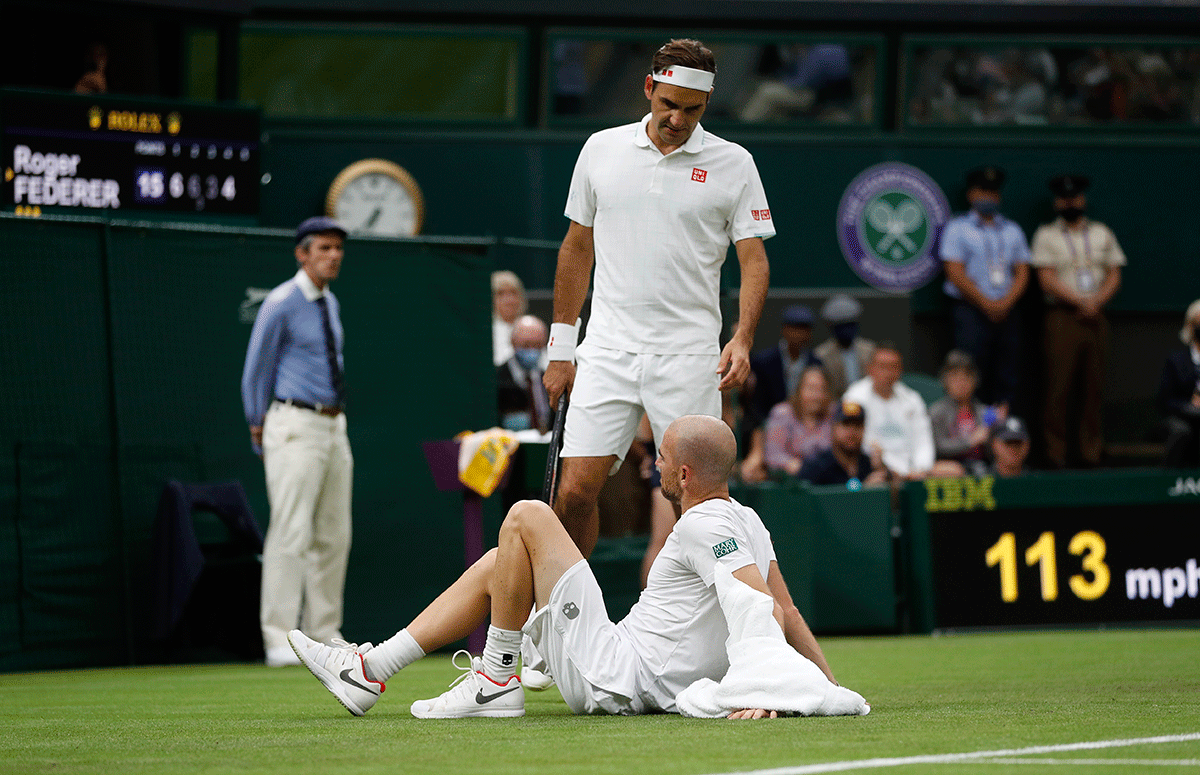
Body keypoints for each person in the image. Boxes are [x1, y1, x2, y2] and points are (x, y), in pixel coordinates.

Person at [288, 415, 854, 719]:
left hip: (613, 676)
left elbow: (756, 607)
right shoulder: (748, 521)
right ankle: (371, 671)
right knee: (500, 562)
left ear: (683, 476)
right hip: (622, 666)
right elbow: (787, 610)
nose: (650, 464)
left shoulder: (703, 525)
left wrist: (770, 688)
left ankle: (495, 679)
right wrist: (826, 683)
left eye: (659, 457)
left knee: (528, 515)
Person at [544, 39, 773, 558]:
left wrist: (743, 336)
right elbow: (577, 249)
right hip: (605, 349)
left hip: (690, 356)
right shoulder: (600, 149)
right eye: (668, 104)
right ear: (648, 88)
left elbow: (754, 260)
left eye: (691, 110)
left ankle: (705, 630)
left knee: (696, 509)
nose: (677, 118)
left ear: (706, 105)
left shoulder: (734, 163)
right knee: (573, 493)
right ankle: (572, 623)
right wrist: (561, 348)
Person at [241, 216, 353, 667]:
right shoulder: (281, 302)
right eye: (324, 248)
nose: (333, 256)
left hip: (333, 426)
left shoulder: (331, 303)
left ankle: (323, 632)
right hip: (292, 424)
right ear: (301, 254)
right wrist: (257, 422)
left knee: (333, 533)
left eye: (338, 249)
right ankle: (279, 640)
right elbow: (256, 367)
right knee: (291, 532)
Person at [1031, 174, 1126, 468]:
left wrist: (1096, 301)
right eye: (1064, 198)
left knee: (1094, 387)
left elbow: (1114, 273)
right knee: (1058, 387)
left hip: (1097, 315)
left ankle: (1091, 452)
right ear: (1057, 202)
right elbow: (1045, 278)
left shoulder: (1101, 233)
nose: (1070, 202)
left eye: (1075, 197)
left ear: (1083, 199)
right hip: (1063, 315)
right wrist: (1080, 301)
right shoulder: (1046, 235)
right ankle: (1055, 454)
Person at [939, 165, 1031, 408]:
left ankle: (1002, 433)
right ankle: (971, 433)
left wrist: (1006, 302)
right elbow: (955, 272)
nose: (987, 198)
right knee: (970, 372)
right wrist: (986, 303)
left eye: (992, 192)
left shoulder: (1012, 230)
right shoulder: (958, 228)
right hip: (971, 311)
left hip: (1007, 312)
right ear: (971, 195)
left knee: (1007, 373)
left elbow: (1022, 271)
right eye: (982, 191)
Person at [842, 343, 964, 480]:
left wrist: (920, 469)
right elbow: (862, 443)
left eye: (893, 367)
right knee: (879, 478)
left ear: (900, 370)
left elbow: (923, 440)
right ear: (870, 368)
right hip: (877, 469)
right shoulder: (854, 397)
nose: (888, 373)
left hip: (915, 471)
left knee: (955, 470)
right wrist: (895, 471)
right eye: (883, 367)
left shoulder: (912, 399)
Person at [748, 304, 822, 430]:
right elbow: (756, 403)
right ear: (785, 329)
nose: (800, 334)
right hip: (768, 426)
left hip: (808, 427)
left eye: (804, 329)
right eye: (795, 328)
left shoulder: (815, 363)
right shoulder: (764, 362)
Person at [928, 350, 1000, 477]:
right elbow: (938, 446)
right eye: (955, 376)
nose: (961, 382)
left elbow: (992, 450)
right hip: (950, 469)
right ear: (945, 380)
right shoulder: (936, 411)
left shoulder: (985, 411)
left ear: (975, 380)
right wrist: (970, 441)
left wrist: (998, 426)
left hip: (983, 468)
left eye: (967, 376)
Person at [763, 364, 834, 477]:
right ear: (799, 390)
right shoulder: (782, 413)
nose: (816, 396)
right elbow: (772, 455)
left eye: (822, 389)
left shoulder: (833, 414)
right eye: (811, 389)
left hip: (826, 480)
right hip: (790, 484)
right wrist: (794, 465)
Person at [798, 401, 887, 488]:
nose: (852, 431)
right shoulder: (815, 466)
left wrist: (881, 469)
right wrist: (864, 491)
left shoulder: (870, 465)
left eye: (857, 425)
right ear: (833, 428)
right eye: (846, 424)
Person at [1158, 299, 1200, 467]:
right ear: (1190, 325)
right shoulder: (1176, 361)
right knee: (1181, 431)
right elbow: (1165, 401)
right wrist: (1189, 405)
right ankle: (1169, 484)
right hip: (1182, 419)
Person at [496, 315, 553, 433]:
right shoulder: (496, 378)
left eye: (537, 345)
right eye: (526, 345)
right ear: (512, 342)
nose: (532, 350)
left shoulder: (550, 380)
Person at [813, 294, 875, 400]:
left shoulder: (870, 350)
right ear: (832, 328)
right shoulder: (821, 354)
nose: (847, 330)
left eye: (850, 325)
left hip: (868, 402)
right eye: (841, 326)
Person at [492, 270, 529, 367]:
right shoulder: (486, 331)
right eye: (500, 294)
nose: (509, 300)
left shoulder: (531, 327)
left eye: (513, 293)